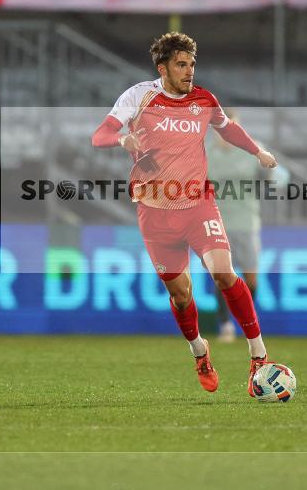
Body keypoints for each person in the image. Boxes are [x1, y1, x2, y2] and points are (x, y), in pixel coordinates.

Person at [91, 32, 278, 394]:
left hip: (198, 204)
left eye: (192, 64)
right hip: (154, 211)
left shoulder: (204, 100)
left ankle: (259, 353)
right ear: (162, 68)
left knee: (224, 273)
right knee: (181, 294)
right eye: (181, 64)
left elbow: (229, 128)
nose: (189, 71)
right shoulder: (138, 96)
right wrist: (122, 139)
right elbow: (99, 134)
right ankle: (199, 350)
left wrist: (257, 151)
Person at [205, 108, 288, 343]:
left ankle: (244, 321)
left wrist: (272, 175)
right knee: (222, 276)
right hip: (216, 224)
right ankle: (225, 326)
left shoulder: (252, 148)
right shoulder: (204, 154)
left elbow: (281, 177)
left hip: (247, 223)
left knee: (251, 280)